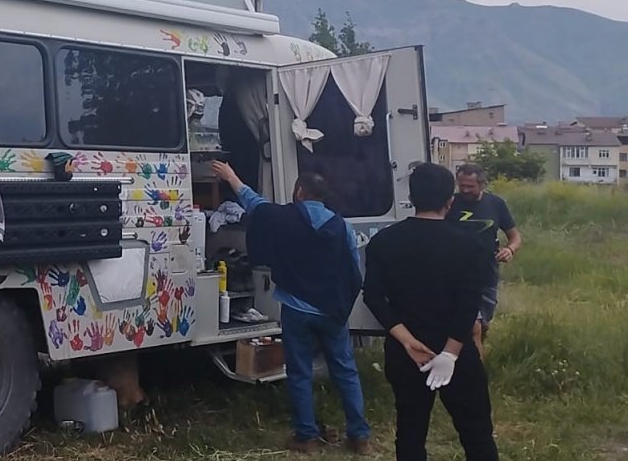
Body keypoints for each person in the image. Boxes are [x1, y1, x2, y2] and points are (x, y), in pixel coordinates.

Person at [210, 161, 371, 454]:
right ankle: (359, 436)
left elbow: (253, 202)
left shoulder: (281, 217)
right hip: (332, 310)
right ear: (324, 196)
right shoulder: (341, 227)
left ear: (299, 191)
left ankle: (306, 436)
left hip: (297, 309)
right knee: (345, 371)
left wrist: (231, 176)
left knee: (299, 372)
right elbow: (353, 268)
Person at [363, 162, 498, 460]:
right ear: (449, 202)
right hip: (459, 354)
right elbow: (468, 304)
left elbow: (372, 297)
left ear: (411, 198)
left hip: (406, 353)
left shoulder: (383, 241)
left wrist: (408, 341)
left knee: (410, 432)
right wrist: (449, 354)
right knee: (476, 432)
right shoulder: (469, 245)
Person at [448, 164, 520, 355]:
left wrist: (510, 250)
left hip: (486, 274)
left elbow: (515, 237)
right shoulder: (449, 203)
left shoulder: (496, 204)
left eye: (470, 186)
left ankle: (472, 355)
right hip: (456, 275)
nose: (464, 190)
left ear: (482, 184)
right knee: (473, 327)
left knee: (483, 326)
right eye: (461, 185)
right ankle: (476, 378)